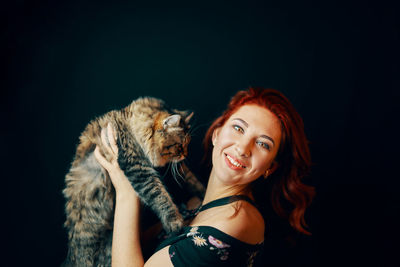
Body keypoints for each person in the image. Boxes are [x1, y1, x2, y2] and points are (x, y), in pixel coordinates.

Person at [94, 87, 315, 267]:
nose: (243, 148)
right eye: (239, 128)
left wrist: (128, 190)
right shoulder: (196, 205)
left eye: (262, 144)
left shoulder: (236, 222)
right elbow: (133, 246)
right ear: (217, 134)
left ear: (270, 168)